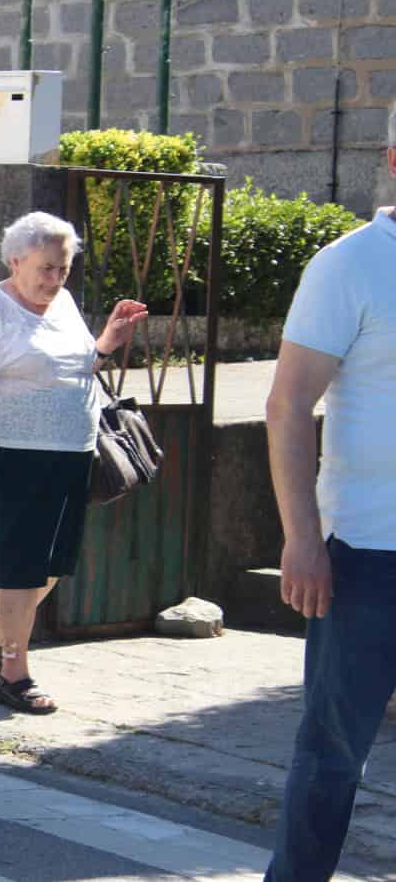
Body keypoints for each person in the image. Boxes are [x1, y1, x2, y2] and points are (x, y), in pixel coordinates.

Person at [263, 108, 396, 882]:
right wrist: (302, 537)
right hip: (365, 557)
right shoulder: (348, 264)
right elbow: (287, 404)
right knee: (334, 750)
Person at [0, 212, 147, 715]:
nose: (56, 279)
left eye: (64, 268)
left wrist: (104, 344)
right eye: (46, 268)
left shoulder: (63, 304)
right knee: (18, 564)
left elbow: (73, 368)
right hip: (10, 455)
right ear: (16, 261)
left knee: (54, 562)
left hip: (71, 452)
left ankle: (3, 630)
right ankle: (15, 673)